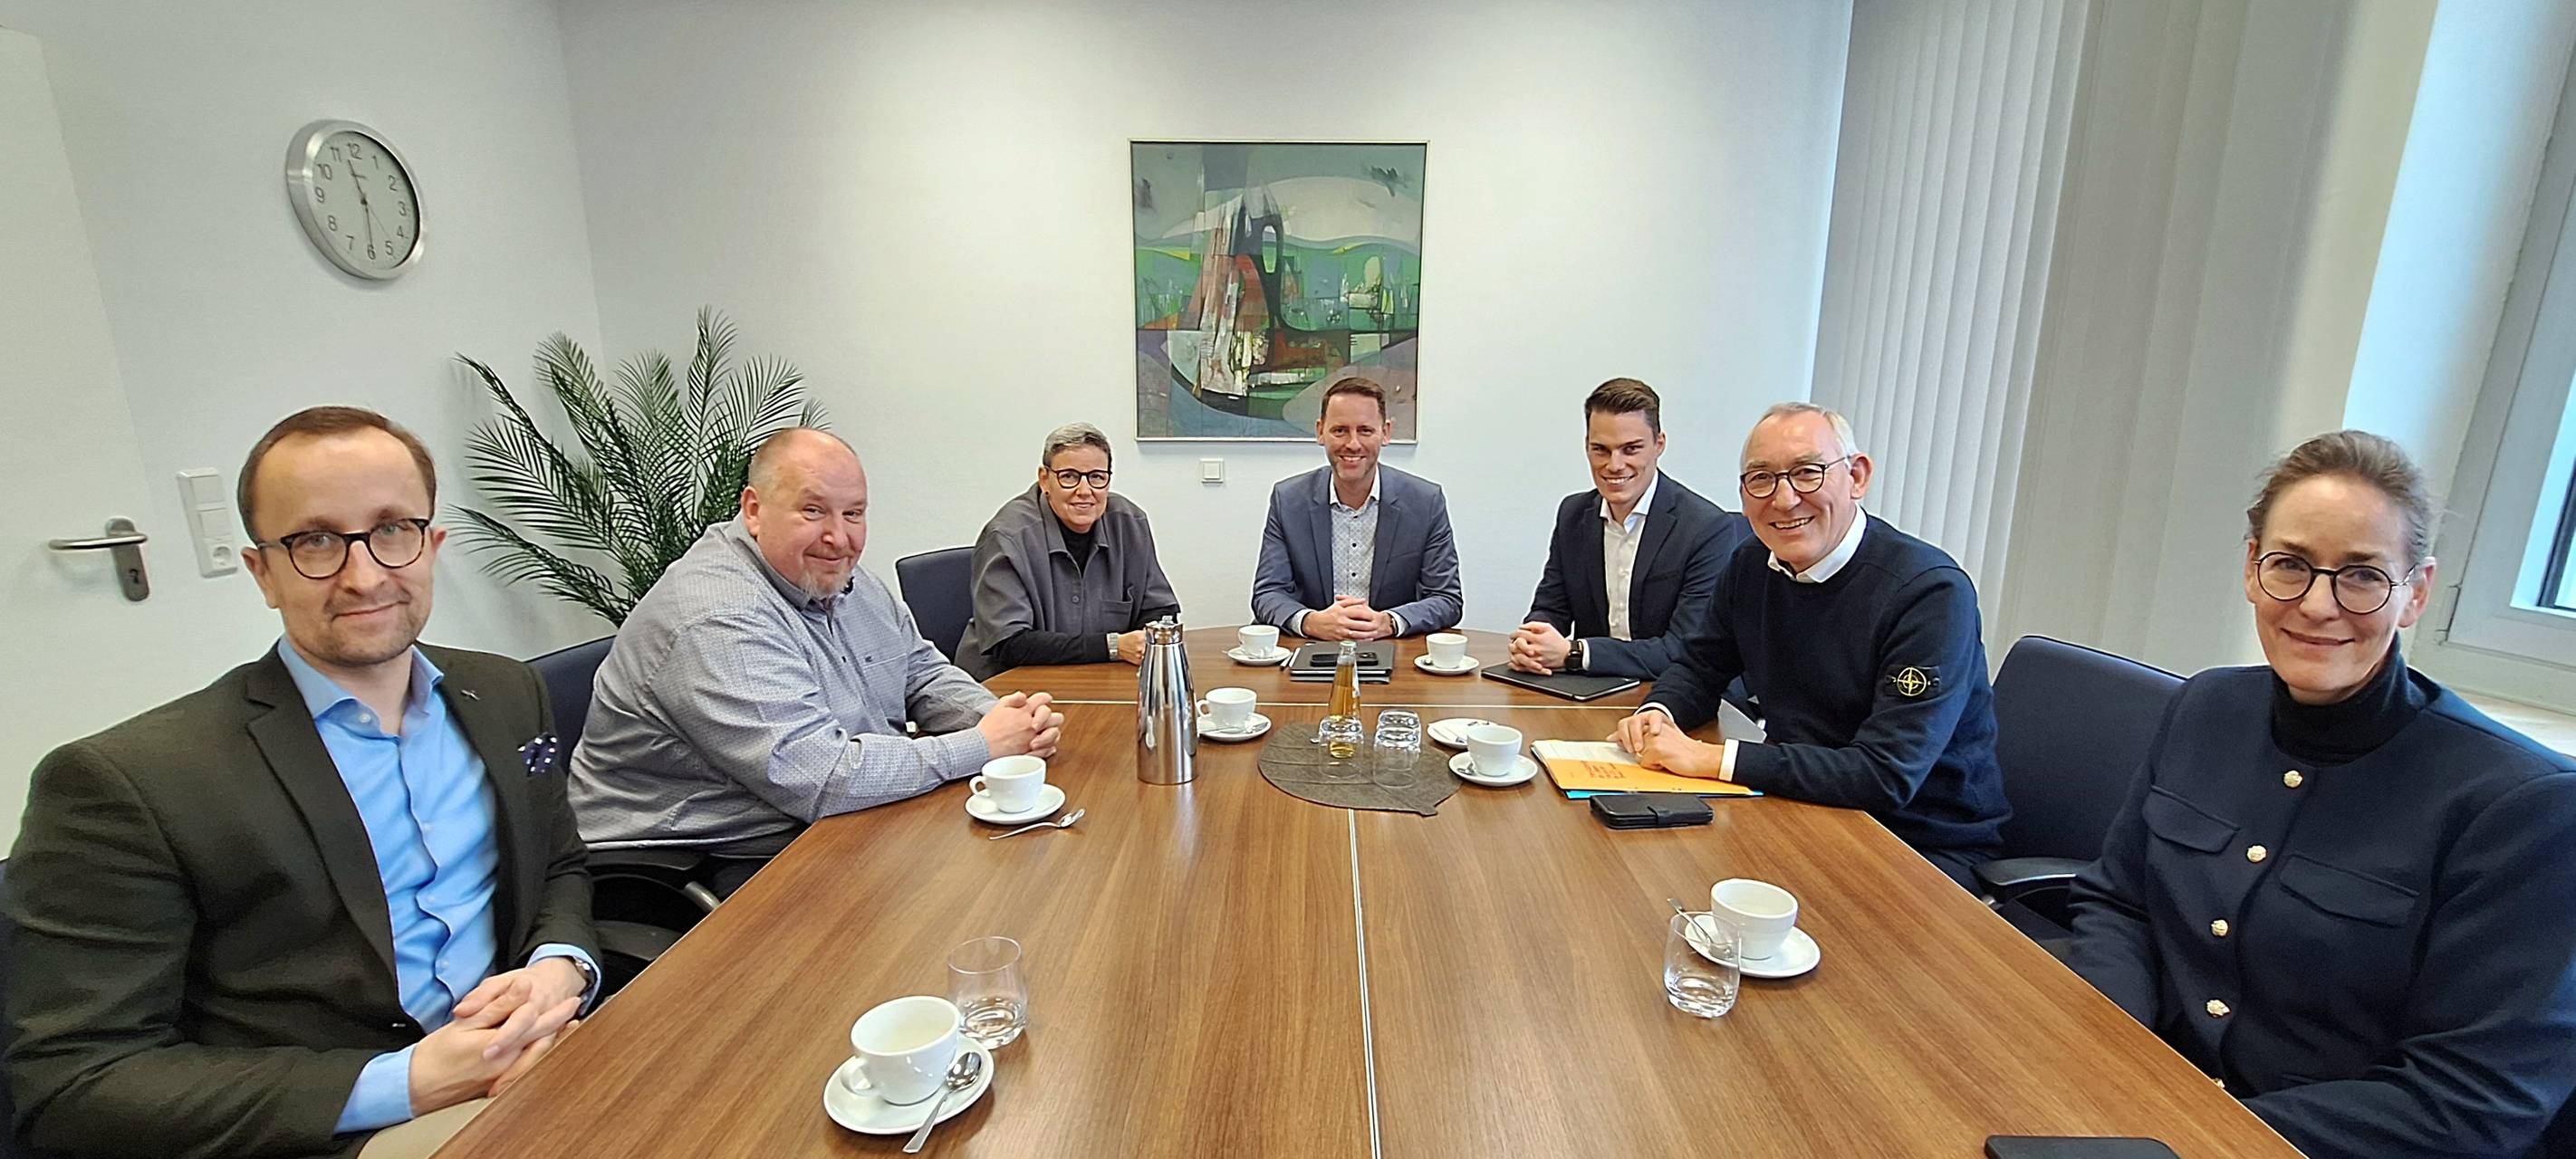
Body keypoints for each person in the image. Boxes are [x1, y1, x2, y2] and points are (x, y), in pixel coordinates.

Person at [5, 407, 600, 1159]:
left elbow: (558, 866)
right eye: (315, 541)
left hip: (537, 1053)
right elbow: (73, 1083)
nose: (365, 575)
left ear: (431, 545)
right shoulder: (127, 784)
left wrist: (559, 967)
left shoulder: (507, 692)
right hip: (335, 1126)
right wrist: (407, 1082)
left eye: (392, 529)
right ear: (263, 572)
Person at [2066, 431, 2576, 1159]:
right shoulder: (2207, 707)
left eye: (2362, 575)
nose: (2316, 604)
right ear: (2252, 567)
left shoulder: (2523, 806)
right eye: (2291, 565)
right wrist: (2110, 1059)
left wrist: (2198, 1137)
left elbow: (2470, 1099)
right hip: (2140, 1106)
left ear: (2416, 593)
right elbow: (2120, 902)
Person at [568, 429, 1060, 891]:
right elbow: (821, 780)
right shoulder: (717, 616)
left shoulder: (839, 576)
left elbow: (920, 672)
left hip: (831, 821)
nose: (839, 538)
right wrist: (981, 744)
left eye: (854, 514)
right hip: (705, 859)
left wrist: (1005, 719)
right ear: (754, 510)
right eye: (813, 511)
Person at [1609, 401, 2009, 888]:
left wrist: (1712, 759)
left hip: (1916, 842)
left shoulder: (1929, 593)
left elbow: (1884, 774)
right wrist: (1660, 712)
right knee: (1646, 878)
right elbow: (1700, 666)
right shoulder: (1751, 563)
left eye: (1807, 473)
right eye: (1761, 478)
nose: (1784, 499)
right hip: (1797, 804)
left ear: (1857, 477)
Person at [1510, 378, 1750, 679]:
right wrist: (1532, 641)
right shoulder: (1573, 514)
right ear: (1586, 446)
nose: (1614, 465)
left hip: (1674, 689)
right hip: (1590, 688)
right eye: (1601, 449)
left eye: (1631, 449)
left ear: (1659, 444)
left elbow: (1685, 648)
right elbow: (1551, 607)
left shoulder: (1706, 528)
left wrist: (1577, 653)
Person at [955, 422, 1180, 680]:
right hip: (1008, 683)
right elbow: (1010, 644)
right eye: (1069, 477)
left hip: (1100, 678)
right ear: (1044, 479)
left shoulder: (1130, 523)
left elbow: (1161, 611)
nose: (1084, 491)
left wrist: (1144, 639)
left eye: (1097, 477)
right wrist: (1114, 646)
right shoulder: (1007, 535)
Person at [1250, 378, 1463, 639]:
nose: (1352, 444)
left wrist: (1388, 622)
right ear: (1320, 432)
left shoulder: (1425, 502)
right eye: (1340, 430)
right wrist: (1310, 622)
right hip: (1311, 647)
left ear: (1385, 433)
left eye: (1365, 430)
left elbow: (1446, 598)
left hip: (1392, 648)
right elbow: (1267, 593)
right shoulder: (1288, 500)